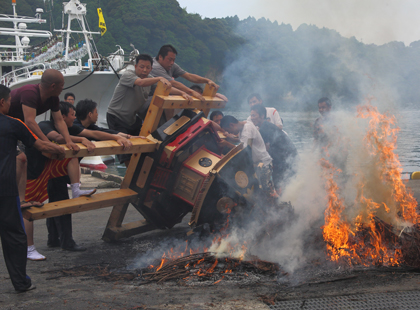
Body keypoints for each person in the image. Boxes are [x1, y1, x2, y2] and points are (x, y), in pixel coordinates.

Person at [8, 69, 79, 260]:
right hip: (11, 128)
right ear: (54, 86)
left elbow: (58, 120)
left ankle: (76, 188)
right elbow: (30, 122)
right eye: (62, 84)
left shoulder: (53, 98)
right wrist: (45, 144)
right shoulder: (30, 93)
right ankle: (29, 247)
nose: (64, 88)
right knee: (23, 165)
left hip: (21, 129)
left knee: (66, 154)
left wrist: (68, 141)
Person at [0, 84, 64, 292]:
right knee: (14, 237)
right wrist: (60, 149)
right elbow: (41, 146)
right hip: (5, 189)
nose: (11, 103)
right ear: (2, 102)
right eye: (9, 100)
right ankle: (20, 282)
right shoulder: (13, 124)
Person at [107, 54, 177, 167]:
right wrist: (159, 78)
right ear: (135, 67)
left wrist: (185, 93)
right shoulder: (128, 75)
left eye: (147, 67)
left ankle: (143, 172)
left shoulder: (150, 79)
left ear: (151, 69)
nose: (144, 70)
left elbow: (168, 88)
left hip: (132, 119)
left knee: (143, 144)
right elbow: (140, 82)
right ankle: (130, 179)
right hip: (117, 117)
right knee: (125, 149)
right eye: (141, 66)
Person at [220, 115, 274, 194]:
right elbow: (244, 141)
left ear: (232, 125)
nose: (230, 133)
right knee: (264, 193)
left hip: (263, 164)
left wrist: (227, 144)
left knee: (269, 192)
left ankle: (280, 205)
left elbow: (245, 151)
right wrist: (233, 139)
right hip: (259, 164)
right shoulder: (246, 124)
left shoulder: (247, 131)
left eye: (229, 130)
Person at [250, 104, 298, 188]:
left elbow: (264, 150)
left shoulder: (264, 128)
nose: (252, 118)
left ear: (262, 116)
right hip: (289, 159)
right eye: (251, 116)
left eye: (254, 115)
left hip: (286, 160)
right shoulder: (266, 126)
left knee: (281, 186)